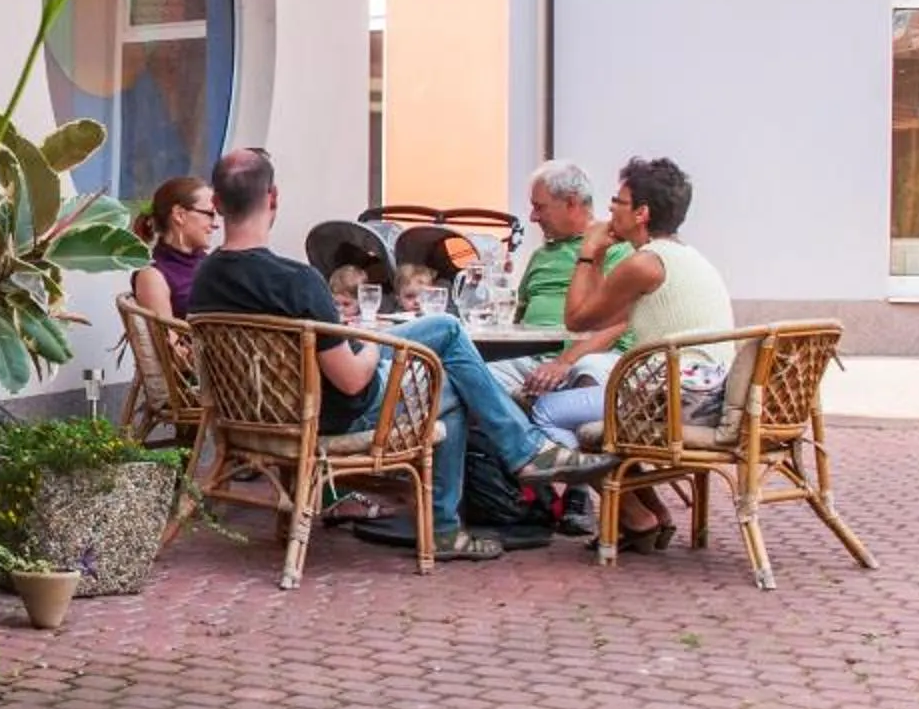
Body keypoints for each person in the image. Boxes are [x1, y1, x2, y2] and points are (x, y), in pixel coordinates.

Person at [189, 147, 612, 566]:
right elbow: (353, 382)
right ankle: (499, 477)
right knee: (452, 379)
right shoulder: (298, 282)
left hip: (251, 415)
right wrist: (369, 340)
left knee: (445, 330)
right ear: (274, 197)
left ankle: (505, 472)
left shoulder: (205, 279)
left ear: (220, 204)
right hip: (333, 415)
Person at [519, 156, 734, 549]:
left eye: (619, 201)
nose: (610, 209)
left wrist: (588, 253)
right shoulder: (683, 258)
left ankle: (635, 516)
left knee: (545, 412)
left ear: (641, 213)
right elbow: (605, 315)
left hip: (680, 396)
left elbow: (578, 318)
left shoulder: (645, 264)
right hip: (709, 390)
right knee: (584, 417)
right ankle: (651, 513)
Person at [516, 161, 602, 323]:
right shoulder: (540, 255)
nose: (533, 217)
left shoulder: (612, 250)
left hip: (578, 347)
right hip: (524, 346)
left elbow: (615, 325)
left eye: (539, 207)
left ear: (571, 203)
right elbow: (516, 318)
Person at [130, 176, 216, 320]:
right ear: (179, 215)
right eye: (210, 214)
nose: (214, 224)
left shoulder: (209, 263)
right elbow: (167, 341)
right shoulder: (152, 276)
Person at [304, 218, 393, 324]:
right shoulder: (336, 316)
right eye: (335, 304)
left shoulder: (375, 309)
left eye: (346, 304)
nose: (340, 309)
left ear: (361, 302)